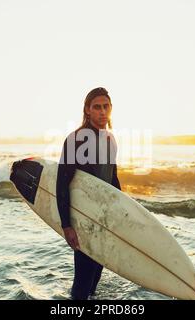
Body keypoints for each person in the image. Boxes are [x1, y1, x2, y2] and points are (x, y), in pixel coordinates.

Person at [56, 87, 121, 300]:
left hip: (103, 218)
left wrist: (122, 213)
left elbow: (113, 180)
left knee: (96, 277)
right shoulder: (76, 140)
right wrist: (67, 225)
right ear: (87, 110)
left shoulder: (110, 140)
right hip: (83, 219)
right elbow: (61, 183)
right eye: (97, 107)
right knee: (83, 280)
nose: (103, 111)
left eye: (106, 106)